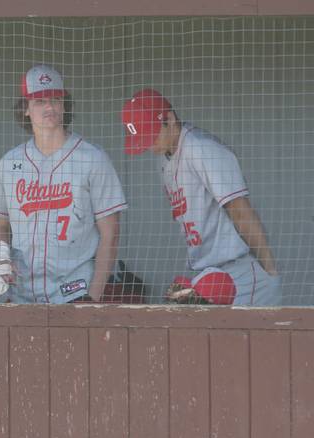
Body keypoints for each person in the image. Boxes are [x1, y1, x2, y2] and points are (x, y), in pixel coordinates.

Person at [120, 88, 280, 305]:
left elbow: (239, 210)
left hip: (238, 271)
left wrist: (269, 270)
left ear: (170, 118)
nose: (149, 144)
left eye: (151, 134)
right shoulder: (164, 156)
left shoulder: (202, 148)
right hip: (207, 274)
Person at [0, 65, 127, 303]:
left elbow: (111, 233)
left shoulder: (92, 158)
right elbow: (1, 223)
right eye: (40, 101)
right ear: (26, 109)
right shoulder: (10, 162)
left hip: (75, 290)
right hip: (22, 292)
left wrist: (92, 297)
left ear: (65, 105)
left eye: (56, 99)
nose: (49, 107)